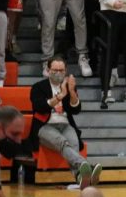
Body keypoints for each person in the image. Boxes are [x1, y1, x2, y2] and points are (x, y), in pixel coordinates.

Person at [29, 55, 102, 186]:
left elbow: (76, 110)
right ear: (48, 70)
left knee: (73, 143)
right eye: (55, 70)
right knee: (62, 142)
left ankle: (80, 177)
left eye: (61, 70)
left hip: (65, 124)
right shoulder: (38, 87)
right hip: (44, 126)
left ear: (66, 71)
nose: (58, 73)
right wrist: (61, 95)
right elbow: (40, 107)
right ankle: (85, 165)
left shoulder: (69, 86)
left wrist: (72, 91)